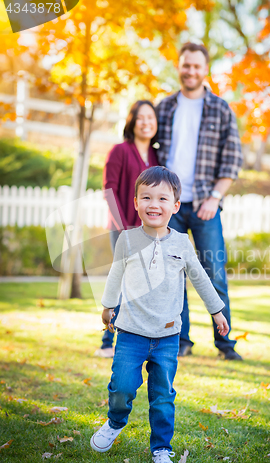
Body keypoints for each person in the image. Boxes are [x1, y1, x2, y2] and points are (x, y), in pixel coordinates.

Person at [90, 167, 229, 463]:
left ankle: (161, 449)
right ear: (136, 202)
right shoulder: (127, 240)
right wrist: (108, 306)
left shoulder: (181, 243)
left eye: (163, 198)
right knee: (123, 386)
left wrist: (216, 311)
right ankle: (115, 422)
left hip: (168, 337)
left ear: (175, 206)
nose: (154, 204)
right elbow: (115, 275)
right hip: (130, 332)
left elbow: (201, 280)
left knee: (163, 396)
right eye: (147, 197)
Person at [156, 42, 243, 360]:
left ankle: (225, 345)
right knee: (171, 275)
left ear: (205, 69)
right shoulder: (164, 107)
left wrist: (215, 197)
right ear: (178, 67)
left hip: (206, 205)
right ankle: (181, 341)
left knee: (213, 272)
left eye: (196, 66)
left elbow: (232, 160)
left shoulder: (221, 109)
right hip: (171, 207)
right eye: (186, 65)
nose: (190, 71)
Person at [94, 100, 158, 358]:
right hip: (123, 229)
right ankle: (107, 342)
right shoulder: (119, 151)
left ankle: (137, 342)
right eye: (140, 117)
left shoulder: (156, 156)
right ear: (132, 121)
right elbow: (109, 192)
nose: (146, 122)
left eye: (150, 118)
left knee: (143, 286)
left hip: (149, 231)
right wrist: (122, 228)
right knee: (119, 282)